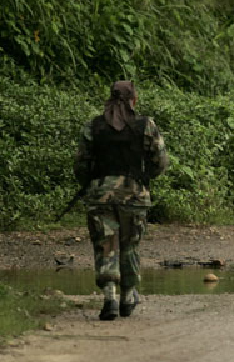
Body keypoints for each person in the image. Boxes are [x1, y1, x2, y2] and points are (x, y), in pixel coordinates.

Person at [74, 81, 169, 320]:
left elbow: (81, 165)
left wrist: (94, 183)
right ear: (133, 100)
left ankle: (110, 298)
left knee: (105, 245)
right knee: (130, 245)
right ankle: (128, 296)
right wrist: (143, 178)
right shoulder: (146, 125)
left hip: (100, 197)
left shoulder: (93, 126)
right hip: (134, 196)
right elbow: (160, 161)